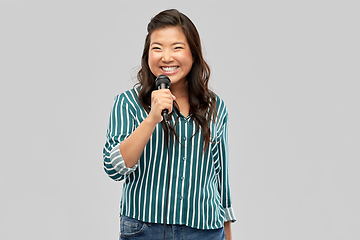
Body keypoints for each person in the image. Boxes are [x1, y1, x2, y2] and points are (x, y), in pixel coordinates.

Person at [103, 9, 236, 240]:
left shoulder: (215, 106)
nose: (166, 57)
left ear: (193, 55)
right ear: (147, 55)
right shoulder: (127, 103)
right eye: (157, 48)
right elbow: (114, 168)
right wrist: (152, 118)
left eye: (177, 47)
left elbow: (220, 176)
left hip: (205, 230)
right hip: (146, 230)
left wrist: (228, 232)